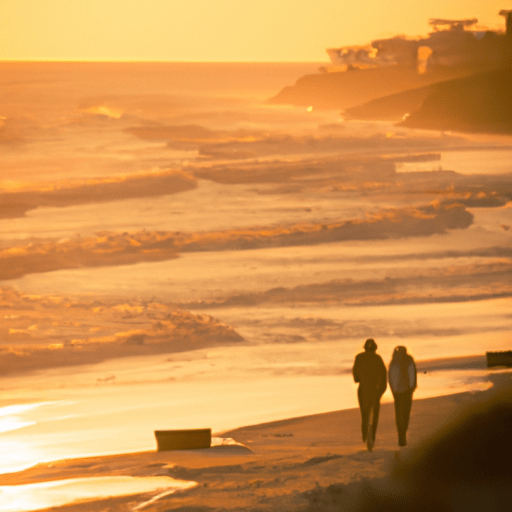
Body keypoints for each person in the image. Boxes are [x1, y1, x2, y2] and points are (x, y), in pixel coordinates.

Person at [352, 338, 387, 444]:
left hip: (363, 389)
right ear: (375, 348)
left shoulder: (359, 357)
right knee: (374, 415)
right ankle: (372, 438)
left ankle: (365, 436)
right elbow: (384, 377)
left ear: (365, 347)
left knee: (365, 414)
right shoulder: (378, 358)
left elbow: (356, 377)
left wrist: (360, 378)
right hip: (375, 390)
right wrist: (380, 391)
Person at [388, 345, 417, 447]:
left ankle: (401, 434)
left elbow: (390, 378)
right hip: (406, 391)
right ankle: (402, 433)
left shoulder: (393, 361)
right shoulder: (409, 360)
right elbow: (413, 375)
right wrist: (412, 388)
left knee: (399, 413)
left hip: (398, 392)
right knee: (405, 413)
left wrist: (393, 390)